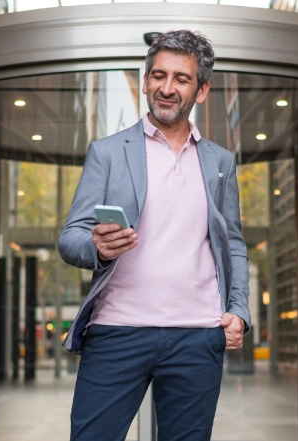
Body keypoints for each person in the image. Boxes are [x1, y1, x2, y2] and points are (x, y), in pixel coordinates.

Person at [57, 30, 250, 441]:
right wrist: (96, 245)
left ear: (200, 91)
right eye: (158, 76)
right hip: (117, 331)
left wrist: (240, 311)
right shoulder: (108, 152)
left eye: (181, 79)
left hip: (198, 336)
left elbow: (232, 243)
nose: (166, 88)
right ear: (145, 82)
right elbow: (70, 236)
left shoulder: (220, 162)